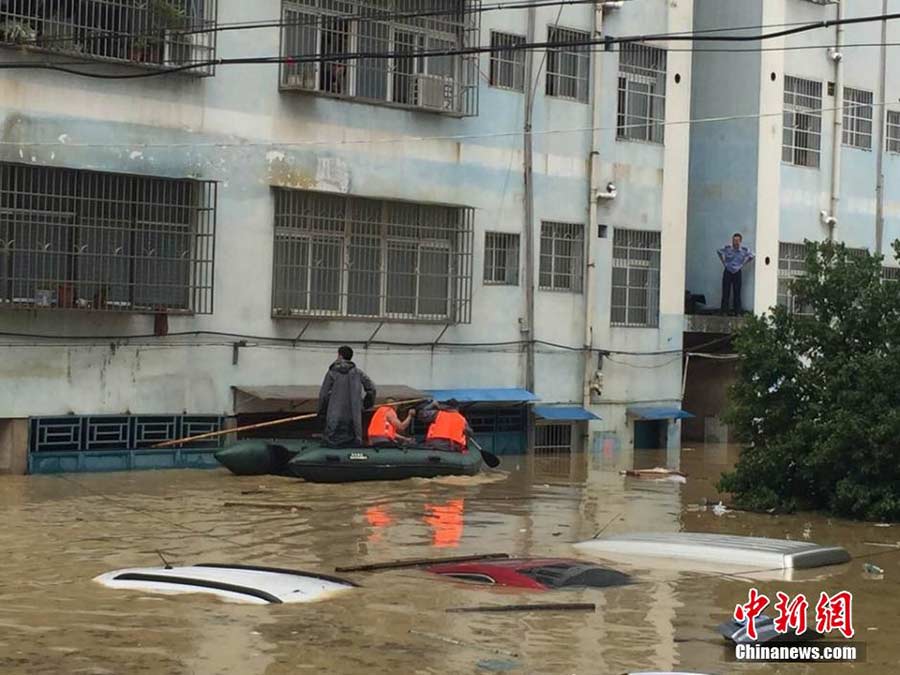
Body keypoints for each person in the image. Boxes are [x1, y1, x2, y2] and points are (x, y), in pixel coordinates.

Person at [318, 345, 376, 448]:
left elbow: (323, 395)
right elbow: (372, 389)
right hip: (354, 422)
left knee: (332, 447)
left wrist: (322, 412)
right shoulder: (358, 373)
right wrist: (365, 405)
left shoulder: (332, 373)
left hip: (334, 421)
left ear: (339, 355)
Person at [718, 232, 754, 315]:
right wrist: (724, 263)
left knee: (737, 292)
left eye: (737, 240)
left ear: (740, 241)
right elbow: (719, 252)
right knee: (725, 291)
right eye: (734, 240)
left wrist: (742, 265)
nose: (735, 242)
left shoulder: (744, 250)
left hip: (737, 271)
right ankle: (724, 311)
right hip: (728, 271)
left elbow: (752, 256)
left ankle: (737, 311)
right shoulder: (728, 248)